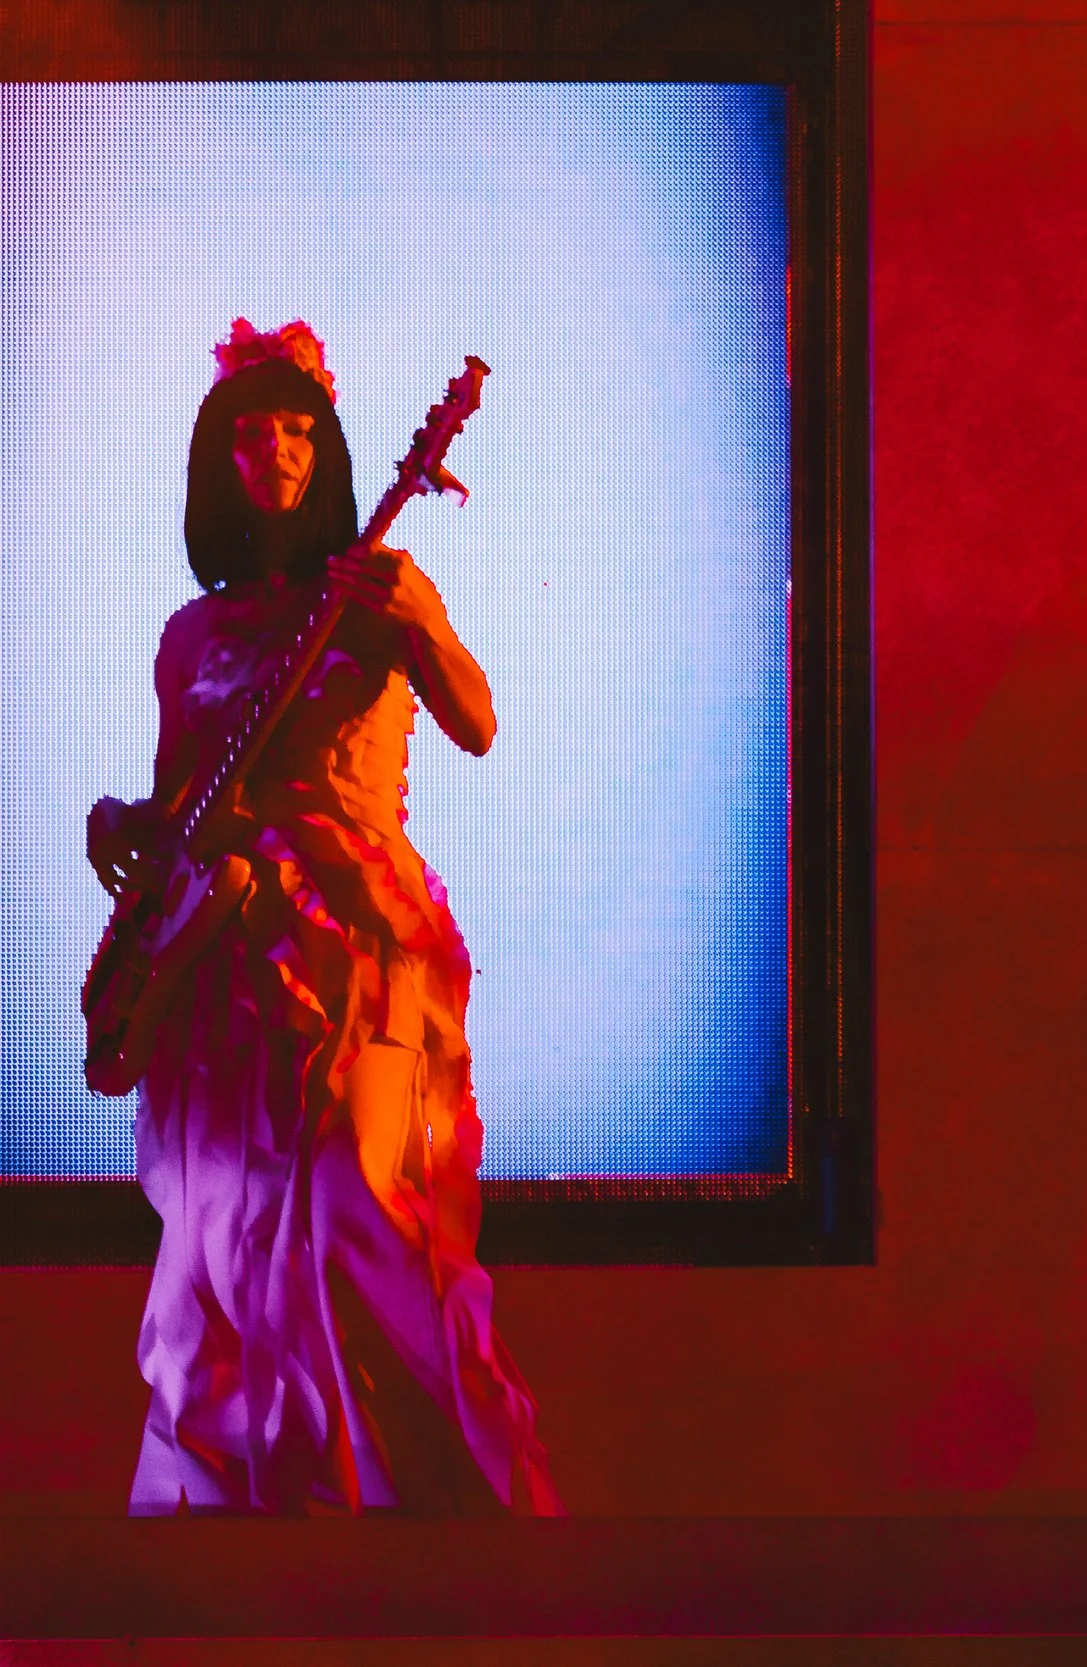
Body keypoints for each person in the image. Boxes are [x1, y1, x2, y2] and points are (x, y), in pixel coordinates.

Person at [88, 318, 559, 1515]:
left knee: (365, 1202)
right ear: (219, 462)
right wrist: (120, 824)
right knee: (225, 1238)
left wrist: (426, 620)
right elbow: (180, 800)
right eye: (250, 433)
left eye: (298, 428)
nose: (278, 451)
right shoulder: (191, 633)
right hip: (223, 957)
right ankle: (250, 1539)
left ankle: (464, 1527)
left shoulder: (379, 590)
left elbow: (477, 721)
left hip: (354, 944)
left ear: (331, 448)